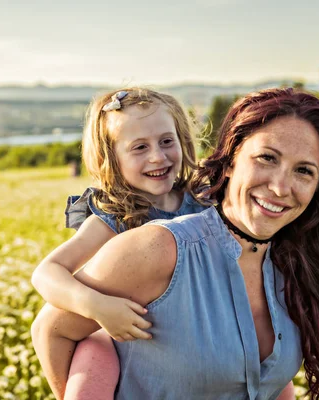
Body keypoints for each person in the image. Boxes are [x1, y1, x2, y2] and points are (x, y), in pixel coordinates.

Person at [34, 88, 319, 399]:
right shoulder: (124, 226)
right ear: (232, 157)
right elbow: (49, 305)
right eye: (266, 158)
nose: (281, 188)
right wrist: (96, 306)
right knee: (94, 352)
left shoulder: (280, 251)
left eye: (304, 170)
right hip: (109, 329)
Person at [30, 87, 209, 399]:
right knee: (89, 372)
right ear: (110, 158)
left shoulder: (202, 203)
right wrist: (96, 306)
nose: (158, 156)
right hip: (125, 338)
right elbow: (46, 272)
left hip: (194, 334)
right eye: (139, 147)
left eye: (167, 141)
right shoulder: (116, 216)